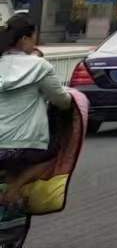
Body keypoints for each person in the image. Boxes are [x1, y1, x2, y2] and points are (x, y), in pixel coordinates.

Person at [0, 12, 72, 198]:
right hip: (26, 147)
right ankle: (13, 191)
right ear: (25, 39)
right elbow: (62, 101)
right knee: (57, 153)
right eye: (34, 38)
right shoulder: (39, 66)